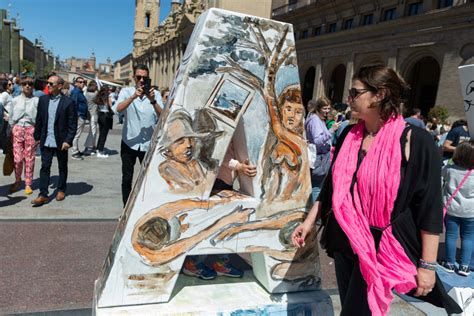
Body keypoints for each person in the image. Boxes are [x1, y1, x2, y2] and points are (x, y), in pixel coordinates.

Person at [291, 65, 460, 315]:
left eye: (355, 92)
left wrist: (428, 265)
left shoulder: (415, 140)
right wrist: (309, 221)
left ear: (380, 94)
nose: (348, 98)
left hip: (380, 246)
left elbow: (430, 207)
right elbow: (332, 187)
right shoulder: (350, 133)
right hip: (345, 239)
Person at [113, 64, 164, 206]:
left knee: (148, 179)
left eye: (145, 78)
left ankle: (144, 206)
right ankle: (126, 207)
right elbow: (118, 109)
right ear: (134, 78)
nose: (142, 80)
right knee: (127, 178)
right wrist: (133, 97)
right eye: (139, 77)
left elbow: (163, 116)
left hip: (148, 144)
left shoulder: (156, 94)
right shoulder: (126, 91)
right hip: (129, 142)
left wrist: (152, 100)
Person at [31, 75, 77, 206]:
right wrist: (37, 137)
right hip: (46, 140)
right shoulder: (43, 100)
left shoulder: (68, 102)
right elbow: (39, 119)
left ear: (60, 86)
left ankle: (61, 189)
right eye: (47, 83)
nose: (48, 86)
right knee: (45, 167)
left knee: (62, 166)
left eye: (51, 84)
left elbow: (72, 124)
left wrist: (68, 140)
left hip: (61, 141)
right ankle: (43, 194)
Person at [441, 140, 474, 277]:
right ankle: (464, 266)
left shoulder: (449, 169)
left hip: (451, 208)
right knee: (468, 238)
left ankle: (449, 263)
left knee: (450, 235)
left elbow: (440, 181)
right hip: (471, 211)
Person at [5, 77, 39, 195]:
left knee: (29, 158)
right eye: (25, 84)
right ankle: (17, 180)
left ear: (33, 86)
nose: (27, 86)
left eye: (30, 84)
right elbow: (10, 117)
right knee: (18, 159)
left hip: (31, 129)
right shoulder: (14, 100)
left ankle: (28, 183)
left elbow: (39, 118)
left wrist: (38, 133)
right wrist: (11, 130)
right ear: (21, 86)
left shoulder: (37, 100)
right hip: (17, 129)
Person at [305, 97, 339, 202]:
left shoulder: (318, 119)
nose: (327, 111)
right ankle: (314, 216)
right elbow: (317, 140)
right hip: (318, 159)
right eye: (325, 108)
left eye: (329, 108)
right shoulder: (315, 120)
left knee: (316, 187)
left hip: (321, 158)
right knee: (316, 188)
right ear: (318, 108)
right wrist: (331, 130)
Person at [70, 77, 88, 160]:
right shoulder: (76, 92)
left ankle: (76, 150)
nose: (82, 83)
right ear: (76, 83)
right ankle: (74, 152)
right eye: (80, 82)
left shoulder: (80, 92)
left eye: (83, 82)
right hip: (79, 116)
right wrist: (76, 115)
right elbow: (73, 104)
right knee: (76, 135)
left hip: (81, 116)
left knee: (77, 134)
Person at [94, 86, 113, 158]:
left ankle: (99, 148)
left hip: (100, 115)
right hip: (106, 116)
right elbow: (110, 106)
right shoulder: (107, 97)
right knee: (104, 135)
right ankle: (100, 151)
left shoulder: (99, 96)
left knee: (101, 133)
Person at [84, 81, 99, 155]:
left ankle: (92, 145)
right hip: (93, 114)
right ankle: (88, 147)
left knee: (93, 131)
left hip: (89, 114)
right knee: (92, 132)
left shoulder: (86, 93)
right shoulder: (94, 95)